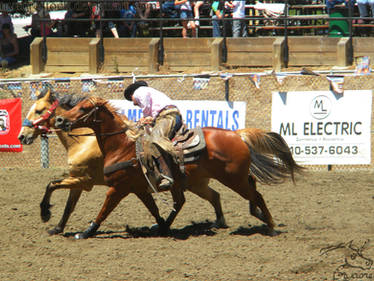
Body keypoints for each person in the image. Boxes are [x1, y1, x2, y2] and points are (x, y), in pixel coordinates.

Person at [124, 81, 183, 190]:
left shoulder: (139, 91)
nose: (133, 103)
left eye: (130, 98)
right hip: (165, 116)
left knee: (154, 140)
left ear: (132, 94)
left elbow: (146, 107)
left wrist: (145, 117)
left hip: (168, 116)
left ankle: (167, 175)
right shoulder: (152, 95)